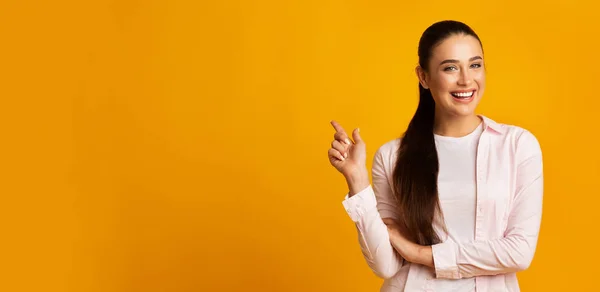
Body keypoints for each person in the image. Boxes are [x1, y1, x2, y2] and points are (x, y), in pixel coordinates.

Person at [328, 20, 543, 292]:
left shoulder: (518, 146)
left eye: (475, 65)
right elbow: (385, 265)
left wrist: (419, 254)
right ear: (424, 77)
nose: (466, 79)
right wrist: (356, 180)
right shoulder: (393, 155)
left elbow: (519, 252)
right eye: (450, 68)